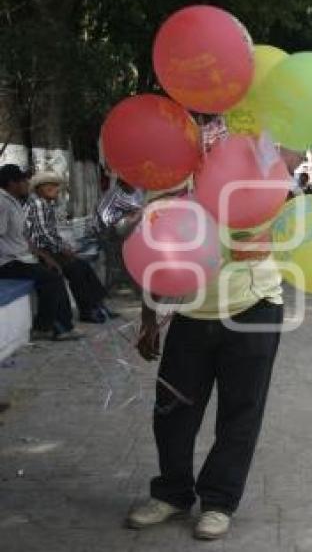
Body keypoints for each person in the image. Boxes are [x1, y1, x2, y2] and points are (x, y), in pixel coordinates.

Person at [126, 120, 285, 541]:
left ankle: (218, 501)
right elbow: (152, 246)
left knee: (240, 412)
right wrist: (148, 316)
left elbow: (289, 168)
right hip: (192, 311)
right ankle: (172, 492)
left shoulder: (256, 153)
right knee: (172, 408)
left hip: (254, 305)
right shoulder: (168, 169)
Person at [0, 164, 81, 341]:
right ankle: (48, 327)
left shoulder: (14, 201)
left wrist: (44, 256)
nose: (26, 184)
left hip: (22, 258)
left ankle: (61, 325)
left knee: (54, 271)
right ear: (12, 183)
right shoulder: (2, 203)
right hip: (9, 262)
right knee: (51, 278)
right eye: (23, 181)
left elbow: (24, 237)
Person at [25, 171, 118, 323]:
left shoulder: (46, 204)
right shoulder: (38, 204)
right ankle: (88, 309)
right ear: (41, 188)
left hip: (50, 249)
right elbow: (43, 235)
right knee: (76, 268)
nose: (56, 189)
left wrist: (64, 247)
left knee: (82, 266)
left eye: (56, 186)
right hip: (41, 252)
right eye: (52, 186)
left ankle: (97, 304)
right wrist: (63, 249)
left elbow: (51, 233)